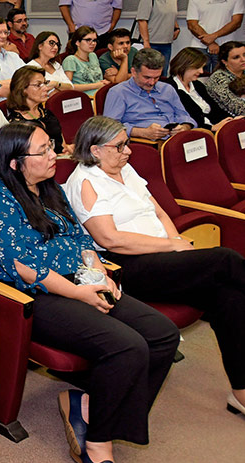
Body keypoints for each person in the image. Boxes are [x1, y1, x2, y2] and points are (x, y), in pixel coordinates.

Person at [0, 122, 179, 463]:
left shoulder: (50, 188)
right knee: (127, 346)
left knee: (162, 335)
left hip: (81, 279)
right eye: (44, 151)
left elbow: (82, 242)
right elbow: (25, 266)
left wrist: (100, 277)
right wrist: (81, 293)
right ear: (15, 163)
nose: (55, 155)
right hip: (35, 297)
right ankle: (96, 443)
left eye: (52, 147)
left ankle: (91, 404)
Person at [65, 115, 245, 416]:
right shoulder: (84, 181)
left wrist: (177, 243)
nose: (128, 151)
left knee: (230, 297)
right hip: (129, 266)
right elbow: (110, 239)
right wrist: (169, 246)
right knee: (224, 259)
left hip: (164, 257)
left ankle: (241, 392)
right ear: (95, 150)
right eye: (120, 146)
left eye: (128, 143)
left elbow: (158, 211)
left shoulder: (125, 168)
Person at [103, 48, 195, 140]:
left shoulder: (167, 89)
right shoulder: (118, 92)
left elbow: (184, 115)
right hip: (146, 144)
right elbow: (108, 128)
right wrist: (142, 132)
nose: (151, 82)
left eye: (156, 77)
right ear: (134, 72)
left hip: (178, 139)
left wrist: (184, 127)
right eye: (147, 77)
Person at [187, 0, 244, 70]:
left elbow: (236, 22)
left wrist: (214, 36)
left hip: (226, 47)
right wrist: (211, 43)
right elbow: (192, 24)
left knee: (223, 81)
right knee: (199, 80)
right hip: (200, 47)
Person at [6, 66, 70, 155]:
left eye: (45, 83)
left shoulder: (47, 114)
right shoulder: (16, 124)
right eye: (38, 85)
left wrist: (67, 150)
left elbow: (63, 146)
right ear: (23, 89)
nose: (46, 88)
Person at [166, 47, 233, 129]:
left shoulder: (197, 85)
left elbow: (216, 109)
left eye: (202, 67)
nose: (201, 71)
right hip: (198, 132)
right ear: (183, 66)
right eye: (197, 68)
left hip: (215, 127)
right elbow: (186, 118)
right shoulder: (169, 88)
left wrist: (231, 120)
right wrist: (211, 128)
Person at [136, 0, 181, 73]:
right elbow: (142, 20)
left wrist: (176, 27)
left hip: (167, 43)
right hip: (152, 43)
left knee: (163, 74)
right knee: (150, 74)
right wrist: (146, 43)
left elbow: (171, 14)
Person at [63, 26, 107, 97]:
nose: (92, 43)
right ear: (77, 42)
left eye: (94, 40)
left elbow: (97, 78)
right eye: (88, 40)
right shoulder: (71, 60)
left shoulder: (93, 56)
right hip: (85, 98)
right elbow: (68, 87)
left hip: (100, 94)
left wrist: (104, 82)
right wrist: (96, 85)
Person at [206, 41, 245, 118]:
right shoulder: (218, 79)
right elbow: (237, 107)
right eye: (236, 57)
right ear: (224, 62)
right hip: (229, 122)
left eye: (244, 55)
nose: (243, 59)